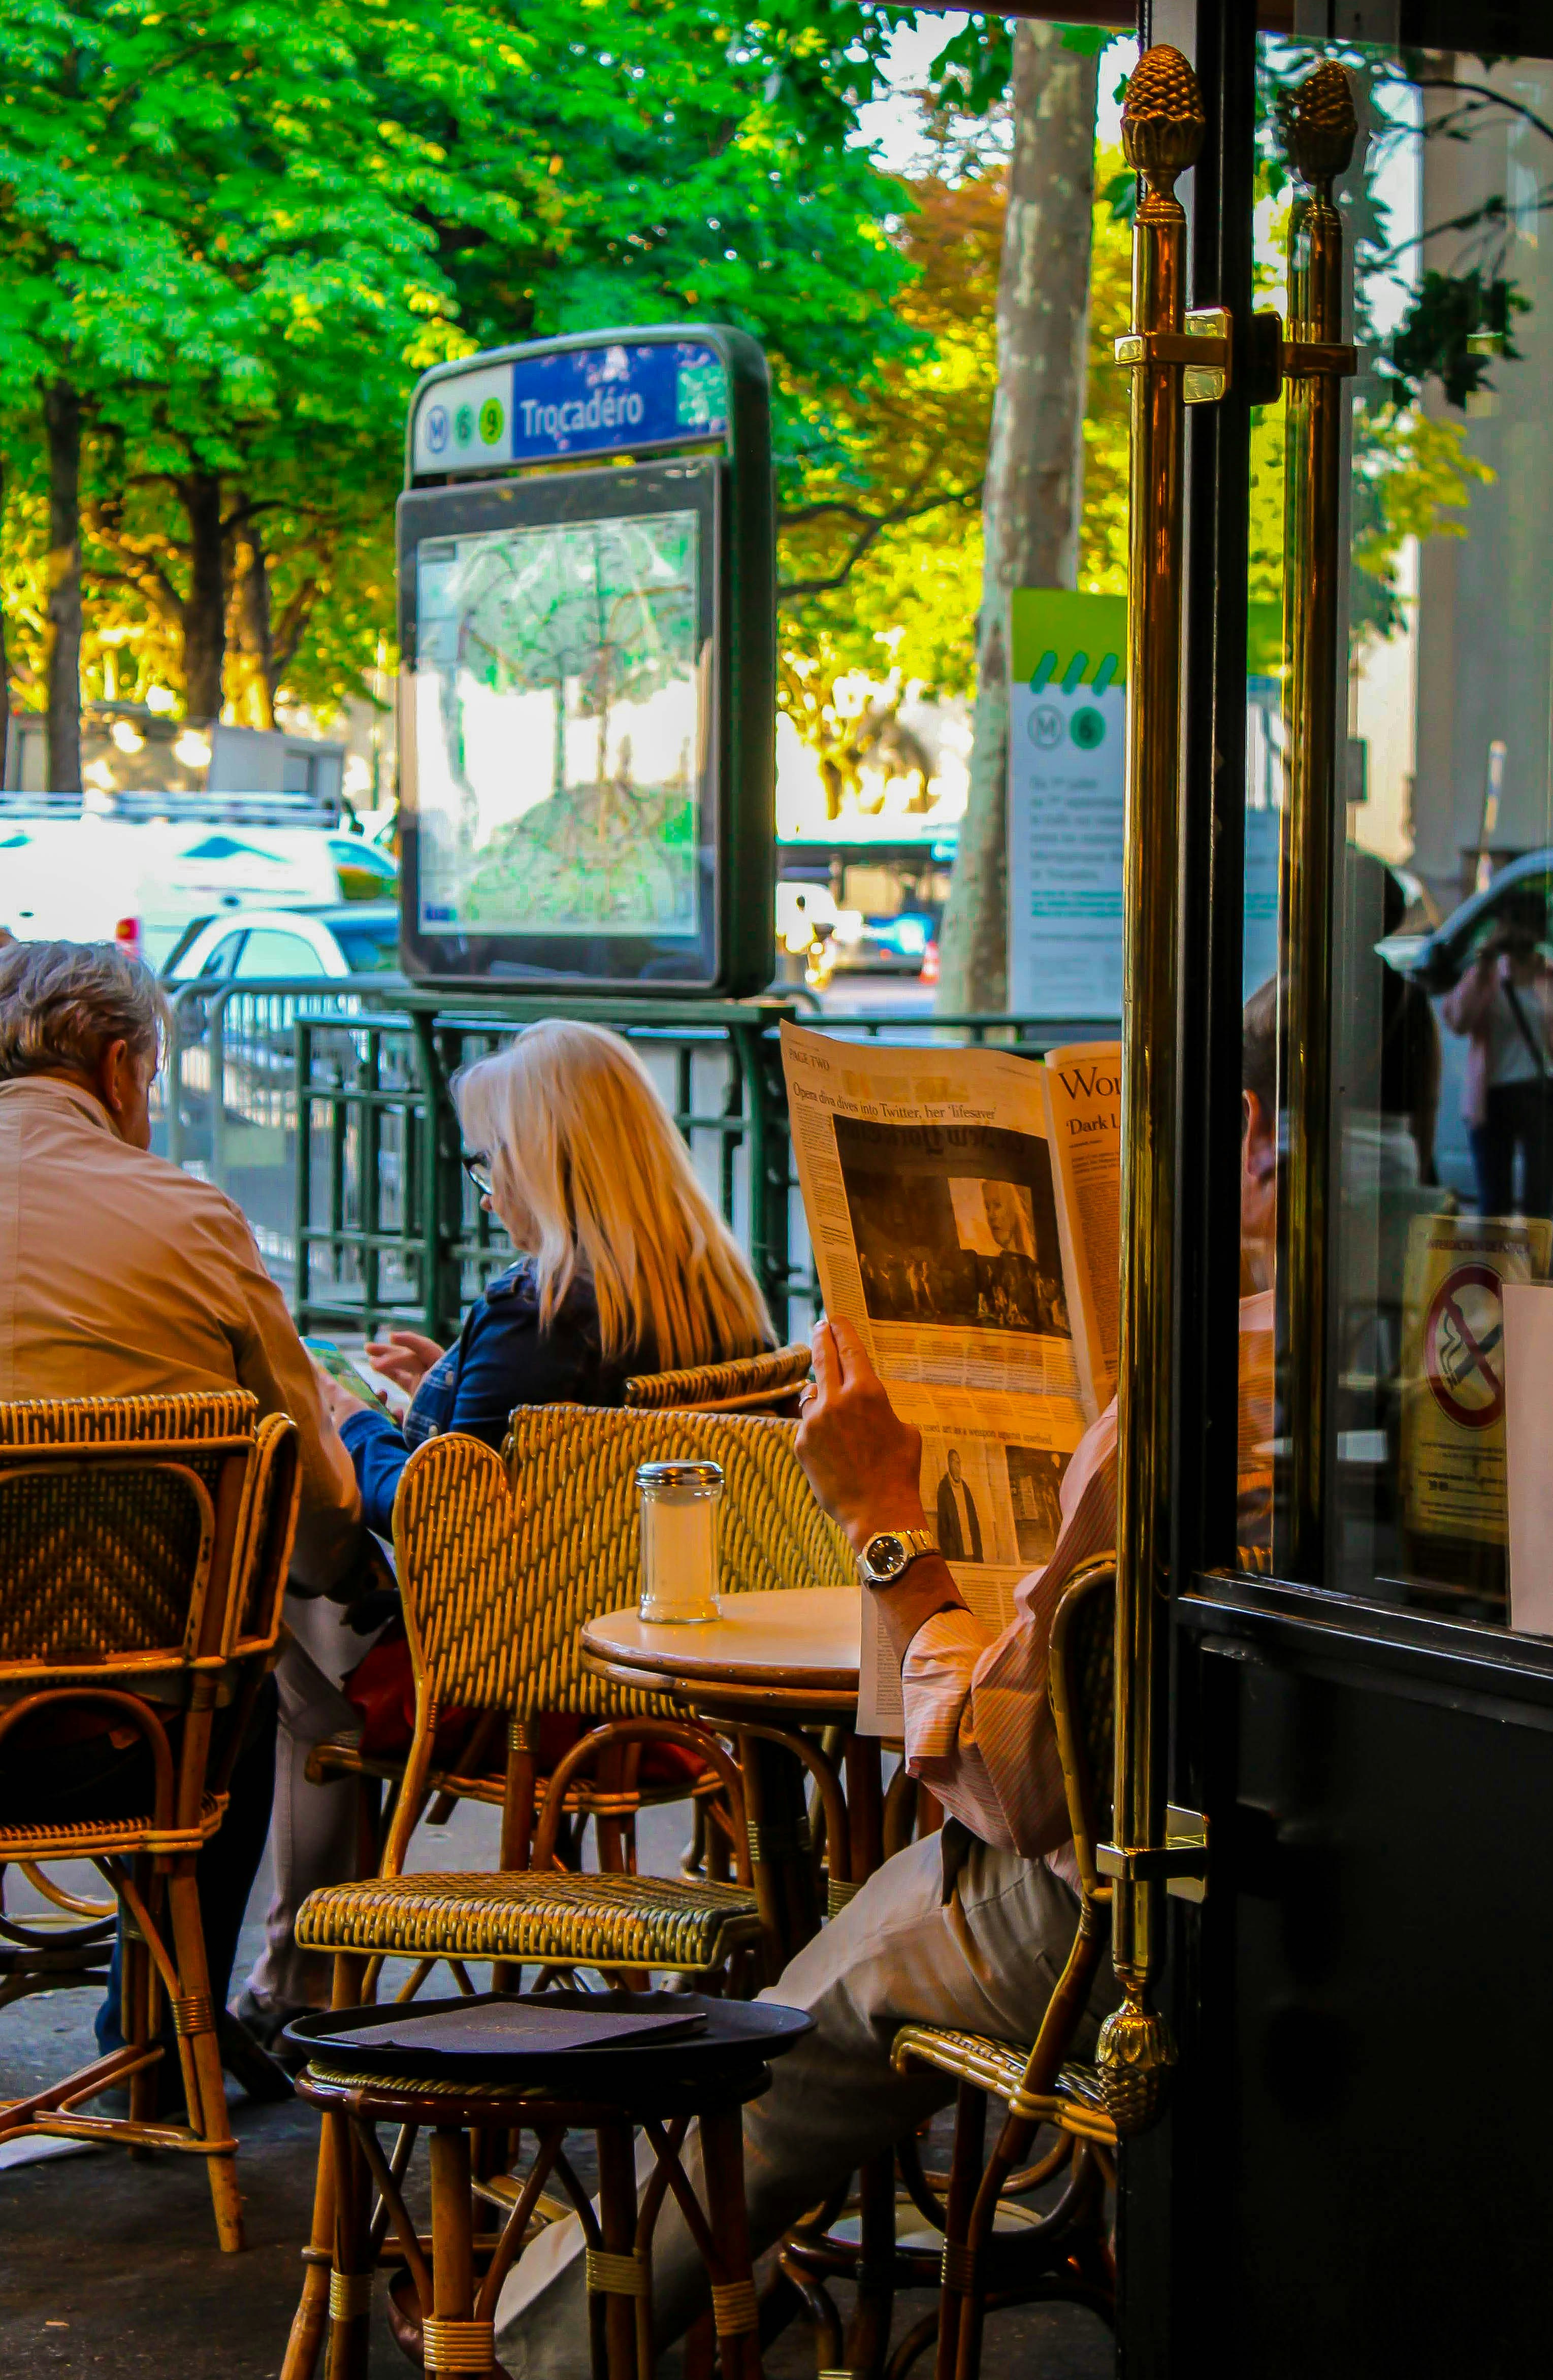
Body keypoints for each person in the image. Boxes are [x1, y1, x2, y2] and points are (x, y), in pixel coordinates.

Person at [495, 1014, 1279, 2376]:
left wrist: (884, 1522)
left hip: (1142, 1913)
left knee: (816, 2007)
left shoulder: (1193, 1399)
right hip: (1331, 1883)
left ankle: (548, 2344)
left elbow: (1016, 1781)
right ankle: (680, 2296)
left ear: (1250, 1134)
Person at [241, 1018, 775, 2038]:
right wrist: (445, 1387)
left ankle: (295, 1981)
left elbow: (443, 1512)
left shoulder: (542, 1309)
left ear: (543, 1160)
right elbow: (545, 1458)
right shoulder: (716, 1294)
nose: (486, 1190)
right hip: (671, 1678)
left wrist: (346, 1421)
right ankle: (291, 1974)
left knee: (297, 1603)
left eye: (489, 1162)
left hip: (519, 1689)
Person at [0, 939, 363, 2083]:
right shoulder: (191, 1219)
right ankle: (162, 2039)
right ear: (119, 1065)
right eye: (153, 1078)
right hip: (120, 1740)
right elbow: (314, 1498)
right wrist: (338, 1568)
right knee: (239, 1679)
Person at [1441, 902, 1553, 1218]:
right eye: (1511, 927)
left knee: (1539, 1199)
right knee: (1494, 1201)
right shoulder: (1488, 974)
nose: (1518, 937)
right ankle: (1494, 1252)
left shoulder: (1548, 975)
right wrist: (1485, 961)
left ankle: (1536, 1252)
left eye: (1525, 928)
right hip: (1491, 1094)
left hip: (1538, 1093)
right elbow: (1458, 1021)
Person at [935, 1445, 983, 1560]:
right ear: (949, 1464)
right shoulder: (944, 1488)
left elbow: (974, 1521)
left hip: (971, 1548)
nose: (957, 1466)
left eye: (959, 1462)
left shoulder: (965, 1488)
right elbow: (943, 1526)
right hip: (955, 1551)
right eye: (954, 1462)